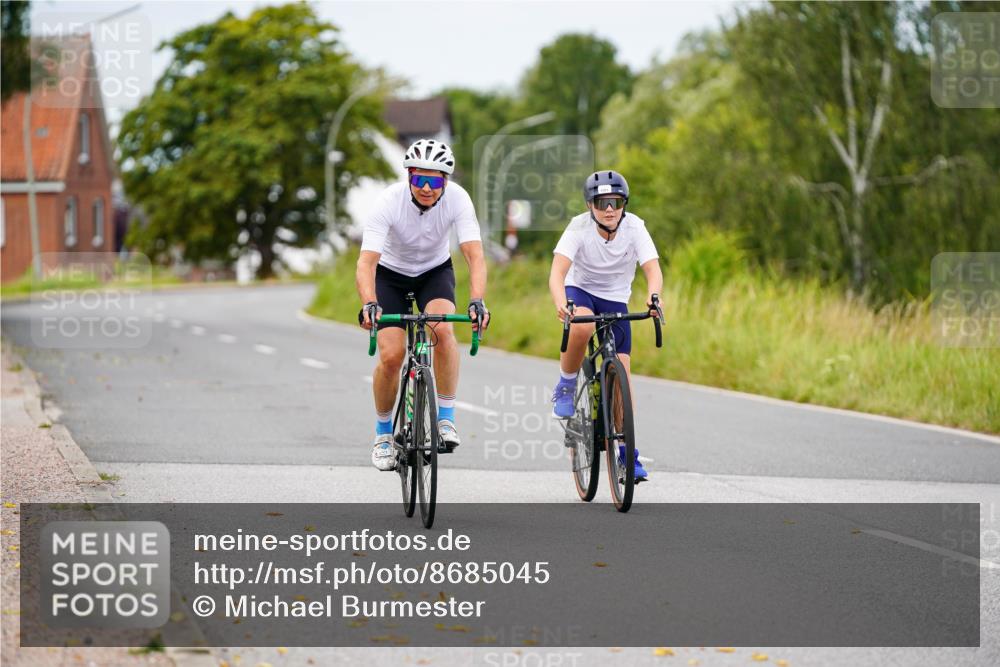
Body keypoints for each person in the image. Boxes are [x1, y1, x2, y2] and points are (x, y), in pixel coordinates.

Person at [357, 139, 489, 471]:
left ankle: (445, 417)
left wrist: (477, 301)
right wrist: (370, 303)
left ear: (447, 181)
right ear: (409, 177)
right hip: (390, 275)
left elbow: (474, 256)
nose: (427, 188)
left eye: (435, 180)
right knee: (391, 356)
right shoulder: (388, 201)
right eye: (420, 180)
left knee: (442, 329)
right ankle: (384, 434)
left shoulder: (458, 199)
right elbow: (366, 263)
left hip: (434, 272)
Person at [548, 170, 663, 482]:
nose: (609, 209)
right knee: (582, 328)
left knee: (622, 373)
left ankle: (627, 453)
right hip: (580, 289)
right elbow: (557, 272)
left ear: (624, 203)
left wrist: (654, 298)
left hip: (615, 298)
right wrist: (562, 302)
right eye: (601, 202)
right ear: (590, 205)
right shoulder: (578, 228)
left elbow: (652, 269)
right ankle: (567, 383)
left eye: (615, 202)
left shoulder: (635, 227)